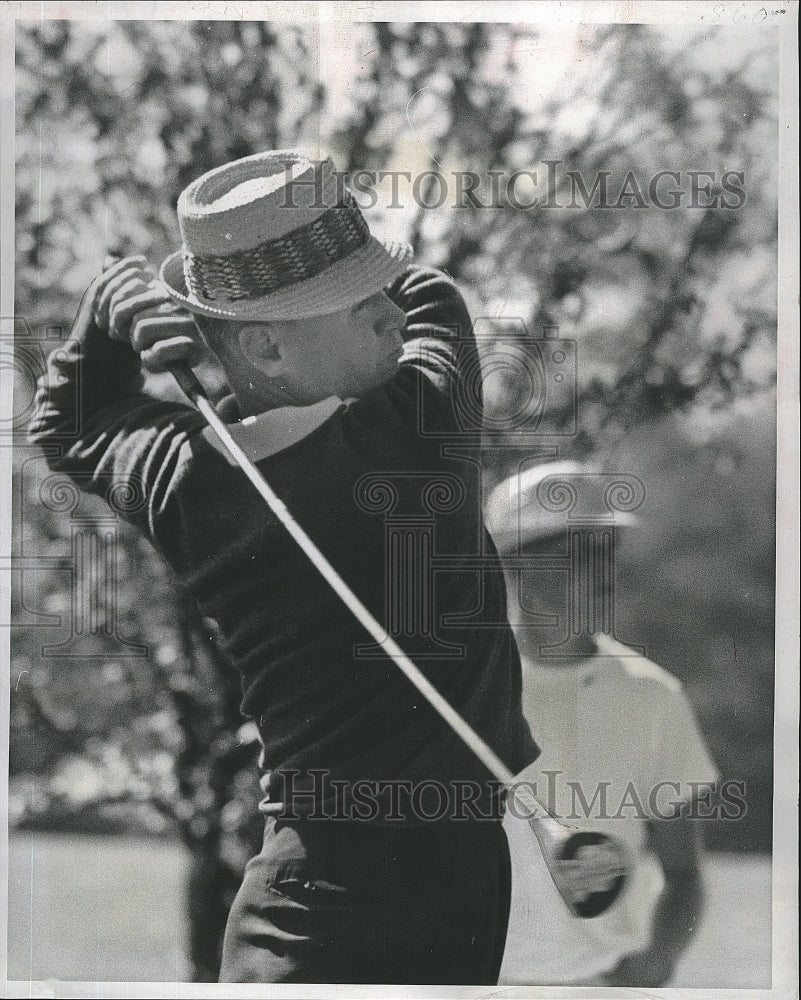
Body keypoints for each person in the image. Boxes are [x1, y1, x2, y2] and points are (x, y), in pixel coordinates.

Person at [28, 150, 539, 984]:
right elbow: (433, 292)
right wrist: (218, 324)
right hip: (404, 886)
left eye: (373, 290)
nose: (385, 313)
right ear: (264, 344)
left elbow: (69, 424)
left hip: (308, 887)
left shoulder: (183, 478)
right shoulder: (417, 425)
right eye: (351, 303)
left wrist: (107, 318)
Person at [484, 461, 720, 988]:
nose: (605, 573)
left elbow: (684, 876)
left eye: (608, 553)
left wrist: (656, 960)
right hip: (472, 981)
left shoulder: (652, 693)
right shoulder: (462, 691)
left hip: (601, 984)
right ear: (515, 564)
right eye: (578, 555)